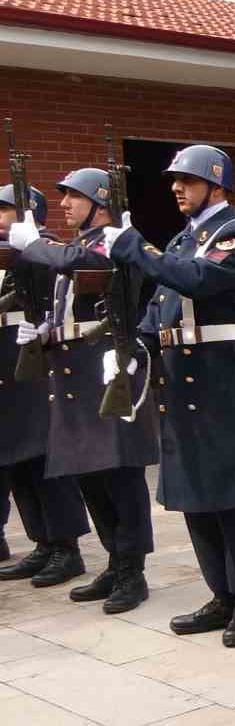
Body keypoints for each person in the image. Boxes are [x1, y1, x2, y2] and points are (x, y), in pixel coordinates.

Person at [105, 145, 235, 647]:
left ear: (216, 183)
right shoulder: (185, 238)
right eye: (174, 180)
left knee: (233, 493)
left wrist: (134, 244)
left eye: (187, 179)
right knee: (196, 494)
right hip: (180, 378)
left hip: (220, 378)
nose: (177, 187)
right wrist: (134, 347)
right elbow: (162, 304)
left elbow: (195, 281)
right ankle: (221, 593)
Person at [11, 169, 159, 611]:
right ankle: (114, 561)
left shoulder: (113, 242)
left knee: (120, 474)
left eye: (73, 196)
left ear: (99, 201)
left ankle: (132, 570)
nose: (63, 204)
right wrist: (45, 332)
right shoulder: (76, 247)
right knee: (89, 473)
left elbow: (77, 260)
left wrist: (34, 242)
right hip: (73, 374)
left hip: (105, 369)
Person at [0, 184, 91, 585]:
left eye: (4, 211)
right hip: (8, 366)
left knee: (44, 461)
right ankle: (42, 543)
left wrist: (30, 245)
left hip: (36, 367)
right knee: (17, 461)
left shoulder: (44, 249)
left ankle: (66, 546)